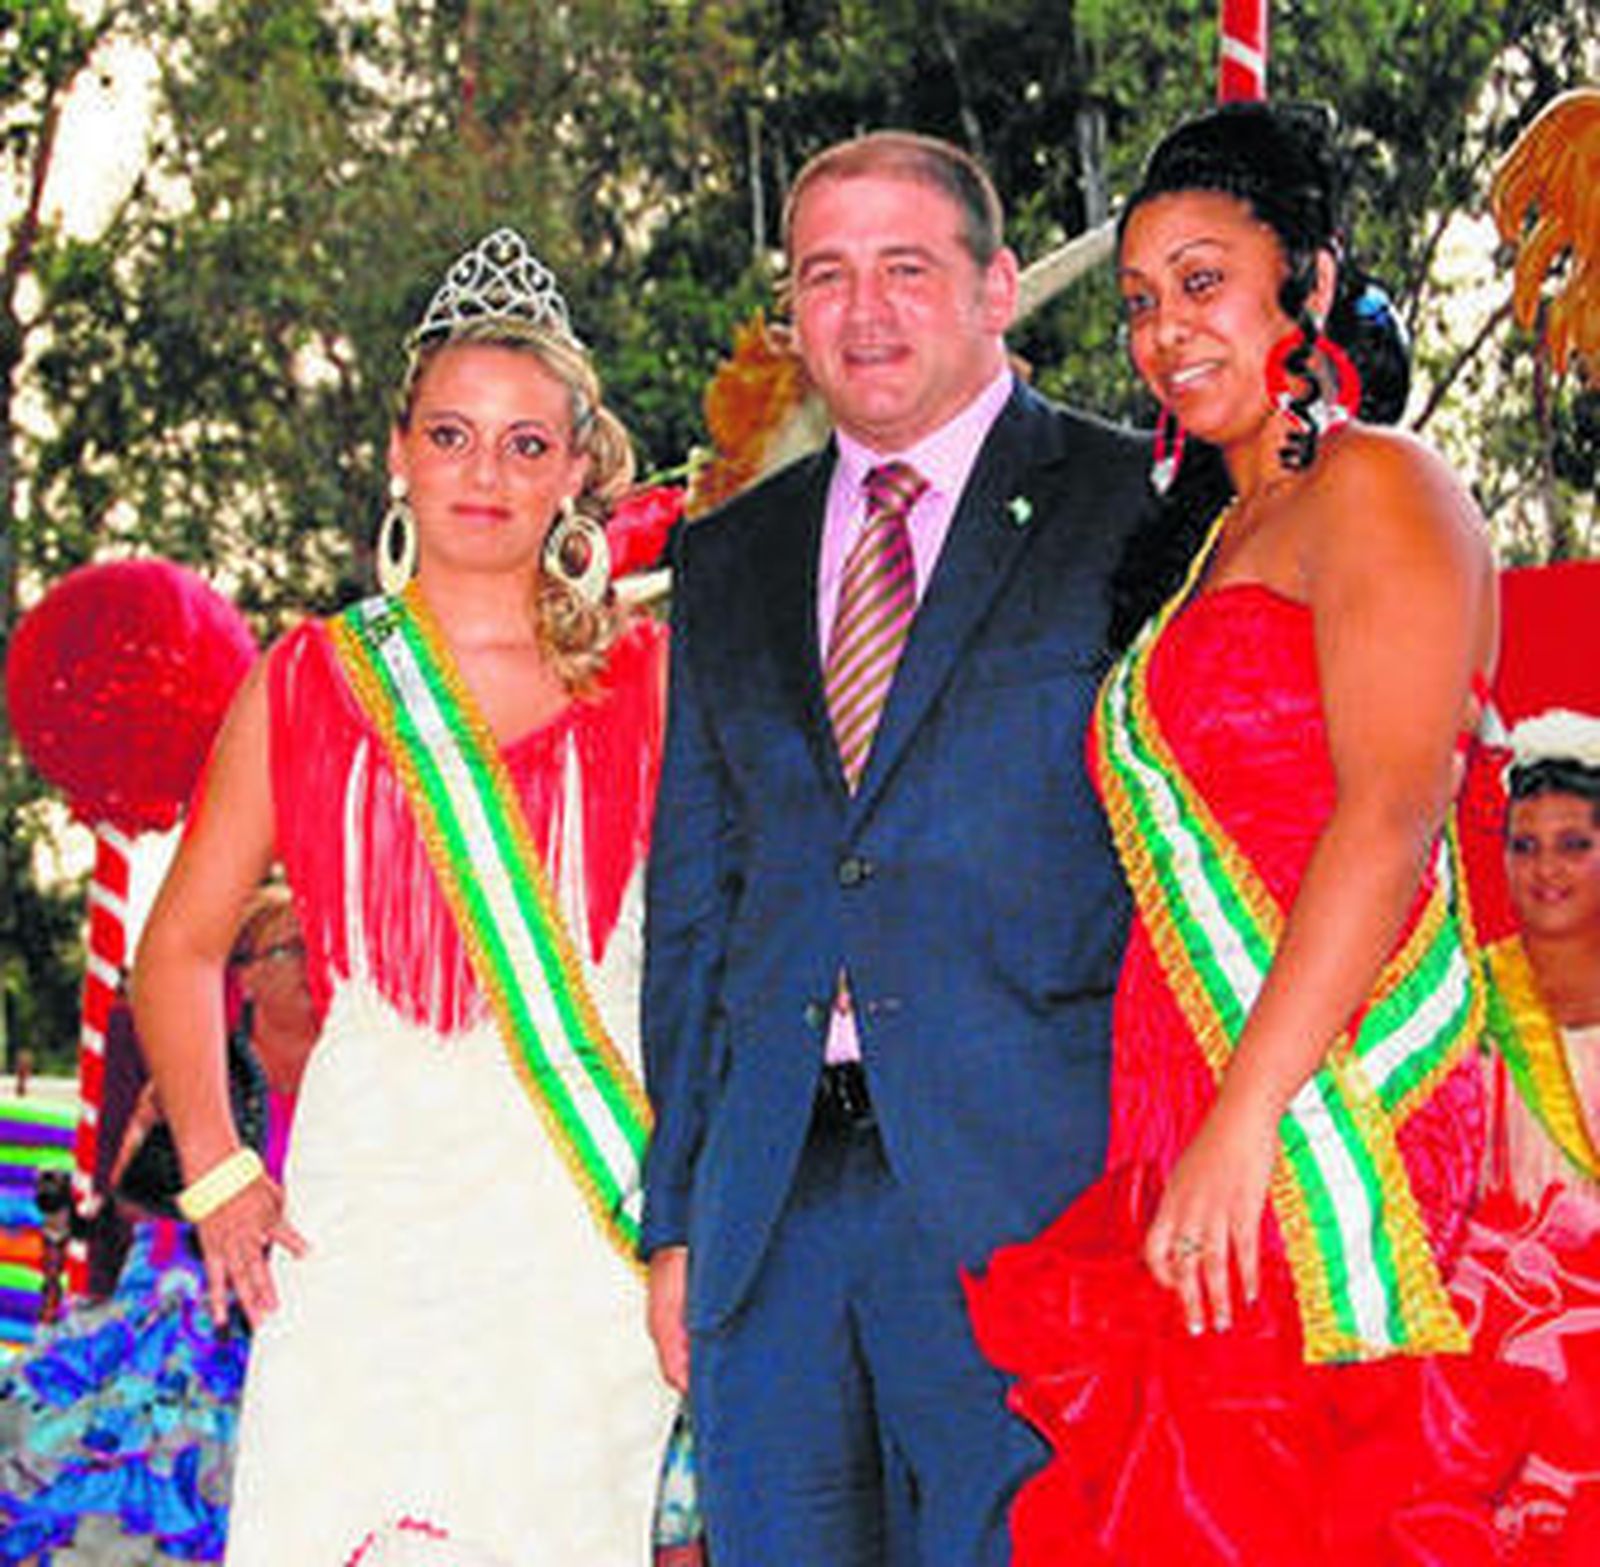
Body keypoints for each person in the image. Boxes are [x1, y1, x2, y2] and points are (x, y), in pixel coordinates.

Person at [964, 101, 1559, 1563]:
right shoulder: (1205, 543)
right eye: (1143, 299)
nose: (1167, 330)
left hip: (1319, 1100)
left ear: (1308, 276)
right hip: (1189, 1102)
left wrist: (1244, 1123)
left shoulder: (1382, 485)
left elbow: (1394, 812)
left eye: (1206, 279)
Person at [640, 129, 1155, 1564]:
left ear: (998, 287)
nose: (864, 312)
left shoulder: (1138, 508)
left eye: (907, 268)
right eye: (826, 275)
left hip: (1036, 1192)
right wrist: (675, 1214)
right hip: (768, 1210)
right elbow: (699, 900)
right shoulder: (729, 555)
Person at [131, 229, 674, 1564]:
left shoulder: (659, 681)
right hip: (364, 1203)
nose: (484, 472)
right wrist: (213, 1166)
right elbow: (180, 945)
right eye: (451, 434)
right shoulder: (309, 681)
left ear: (577, 472)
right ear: (398, 452)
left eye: (526, 443)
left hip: (579, 1203)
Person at [0, 885, 316, 1566]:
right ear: (249, 977)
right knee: (183, 1370)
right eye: (294, 948)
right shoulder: (210, 1078)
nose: (314, 965)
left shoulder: (344, 1084)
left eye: (320, 948)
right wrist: (161, 1138)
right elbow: (132, 1201)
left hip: (296, 1304)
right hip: (185, 1284)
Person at [1482, 709, 1600, 1210]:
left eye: (1574, 846)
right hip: (1500, 1277)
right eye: (1525, 847)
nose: (1545, 869)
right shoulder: (1469, 995)